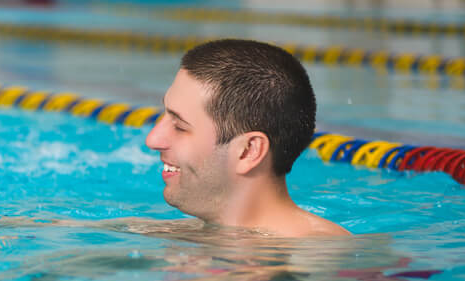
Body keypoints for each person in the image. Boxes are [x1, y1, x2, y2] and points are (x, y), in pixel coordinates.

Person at [137, 38, 348, 237]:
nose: (152, 139)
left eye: (180, 127)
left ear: (249, 151)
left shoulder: (316, 259)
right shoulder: (181, 234)